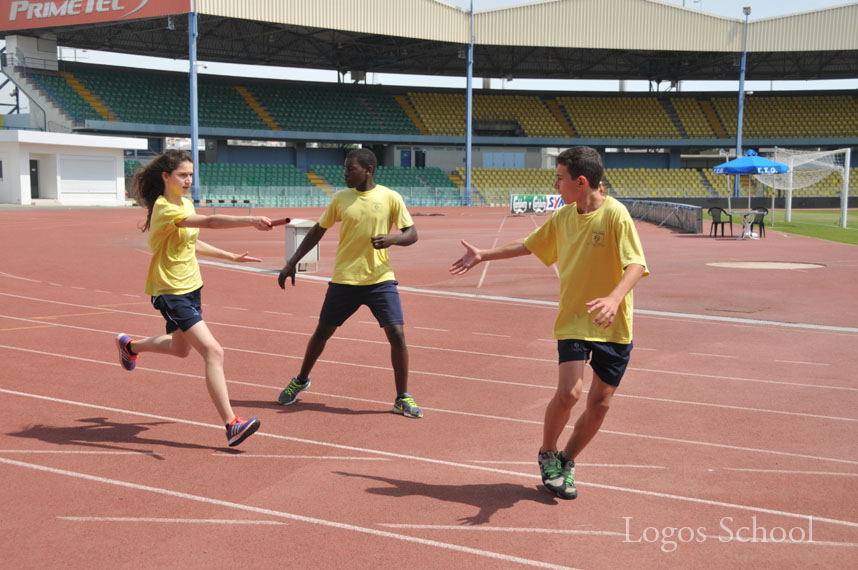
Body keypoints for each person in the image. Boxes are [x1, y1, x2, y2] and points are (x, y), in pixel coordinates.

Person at [449, 146, 648, 499]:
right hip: (574, 319)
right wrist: (484, 255)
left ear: (581, 181)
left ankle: (567, 460)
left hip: (613, 324)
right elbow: (528, 245)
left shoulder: (616, 215)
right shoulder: (564, 217)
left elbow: (635, 265)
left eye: (559, 178)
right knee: (570, 393)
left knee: (600, 404)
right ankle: (547, 452)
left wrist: (614, 298)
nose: (555, 185)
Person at [115, 149, 273, 447]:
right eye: (182, 175)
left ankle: (130, 345)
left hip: (191, 286)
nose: (188, 180)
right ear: (166, 176)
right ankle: (232, 424)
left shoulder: (183, 203)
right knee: (213, 352)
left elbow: (193, 241)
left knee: (180, 349)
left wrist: (230, 256)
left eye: (191, 175)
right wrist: (249, 221)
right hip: (170, 291)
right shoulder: (165, 209)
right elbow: (210, 223)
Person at [276, 148, 422, 418]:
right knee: (321, 333)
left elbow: (411, 233)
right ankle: (301, 379)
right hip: (345, 280)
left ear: (368, 170)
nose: (344, 174)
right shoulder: (341, 199)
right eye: (344, 169)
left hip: (380, 279)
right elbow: (318, 230)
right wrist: (292, 261)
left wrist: (393, 240)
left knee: (397, 335)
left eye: (349, 170)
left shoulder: (390, 198)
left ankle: (402, 397)